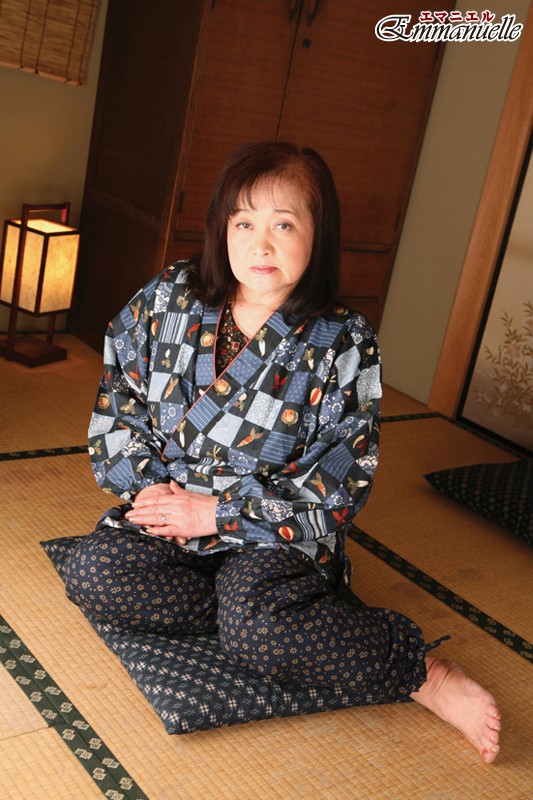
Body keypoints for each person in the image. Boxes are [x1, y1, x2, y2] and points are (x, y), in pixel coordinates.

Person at [64, 141, 500, 762]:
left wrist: (218, 515)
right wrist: (147, 486)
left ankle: (423, 673)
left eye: (284, 225)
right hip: (172, 515)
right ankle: (264, 619)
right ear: (221, 229)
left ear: (319, 234)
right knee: (94, 573)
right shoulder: (171, 296)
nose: (260, 245)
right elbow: (121, 394)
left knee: (263, 628)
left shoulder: (343, 341)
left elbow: (340, 484)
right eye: (243, 223)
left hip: (273, 537)